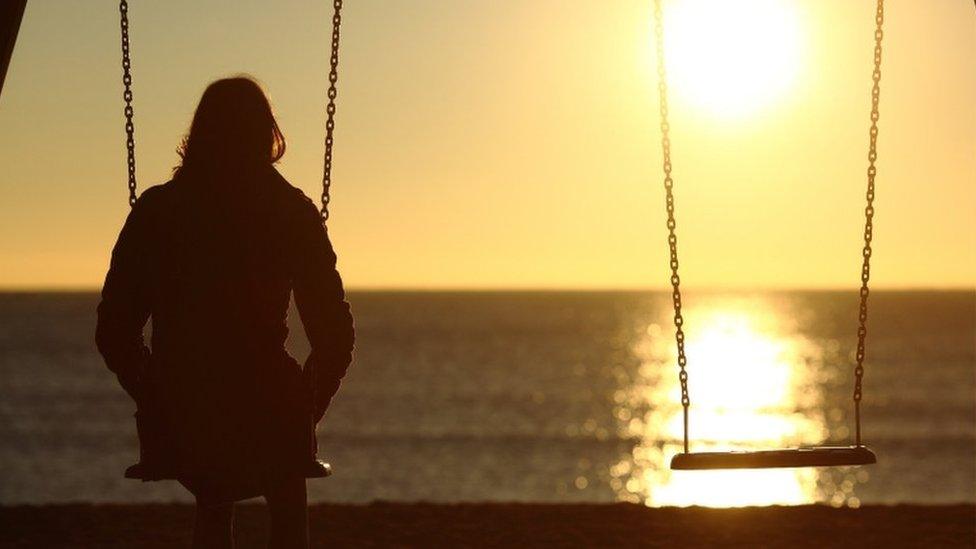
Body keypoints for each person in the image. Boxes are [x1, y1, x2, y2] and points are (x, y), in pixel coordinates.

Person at [95, 76, 355, 549]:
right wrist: (306, 409)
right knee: (281, 467)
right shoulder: (290, 212)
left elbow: (114, 331)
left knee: (212, 483)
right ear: (266, 136)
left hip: (184, 407)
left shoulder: (159, 211)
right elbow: (335, 336)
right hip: (267, 408)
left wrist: (154, 395)